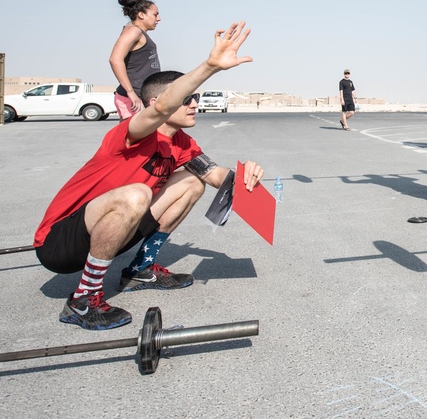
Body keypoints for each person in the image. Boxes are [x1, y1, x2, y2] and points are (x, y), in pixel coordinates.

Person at [33, 22, 265, 330]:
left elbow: (215, 176)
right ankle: (82, 300)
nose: (194, 104)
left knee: (191, 183)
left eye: (194, 97)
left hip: (113, 225)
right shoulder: (132, 133)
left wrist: (246, 174)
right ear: (158, 104)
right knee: (137, 193)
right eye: (186, 98)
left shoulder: (182, 143)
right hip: (60, 241)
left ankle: (140, 270)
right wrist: (210, 66)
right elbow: (159, 110)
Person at [109, 0, 161, 120]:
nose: (158, 18)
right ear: (141, 15)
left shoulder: (138, 32)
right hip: (133, 100)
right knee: (133, 139)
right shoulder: (133, 31)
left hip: (142, 97)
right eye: (155, 14)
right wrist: (131, 93)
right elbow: (115, 59)